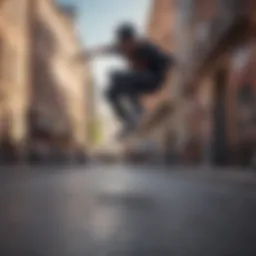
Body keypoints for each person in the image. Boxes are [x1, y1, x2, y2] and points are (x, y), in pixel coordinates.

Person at [76, 22, 174, 138]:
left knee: (118, 76)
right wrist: (87, 54)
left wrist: (170, 61)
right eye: (122, 45)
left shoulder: (147, 47)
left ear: (133, 40)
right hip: (138, 81)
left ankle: (138, 111)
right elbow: (105, 50)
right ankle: (127, 120)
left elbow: (166, 59)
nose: (125, 50)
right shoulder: (121, 48)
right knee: (110, 91)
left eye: (127, 44)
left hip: (154, 80)